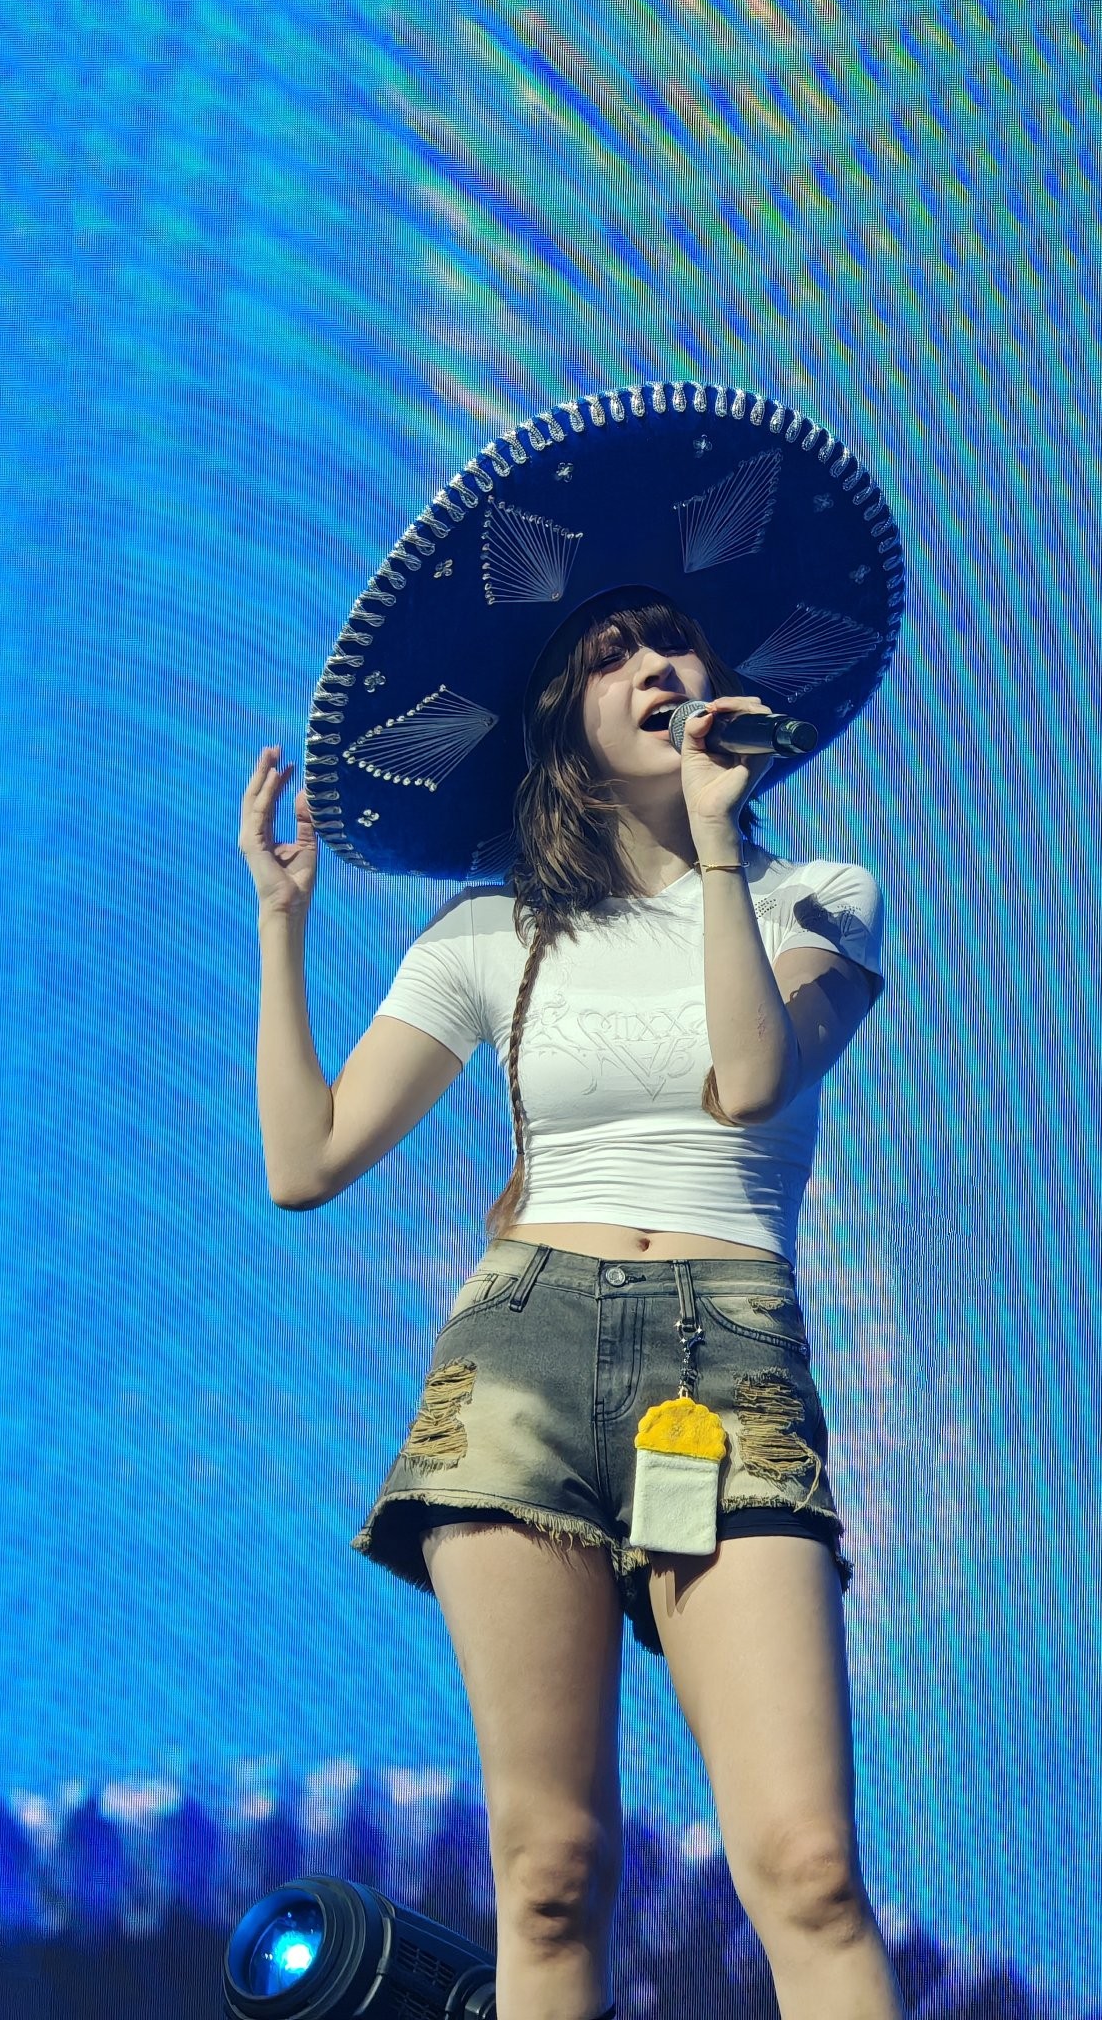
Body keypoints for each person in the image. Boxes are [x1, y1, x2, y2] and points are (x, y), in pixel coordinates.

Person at [238, 384, 906, 2020]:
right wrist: (282, 927)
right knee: (547, 1874)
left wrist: (720, 845)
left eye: (674, 640)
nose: (657, 665)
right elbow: (306, 1163)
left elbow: (750, 1083)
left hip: (726, 1355)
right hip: (523, 1357)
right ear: (562, 719)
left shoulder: (819, 895)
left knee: (807, 1868)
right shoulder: (486, 937)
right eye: (614, 653)